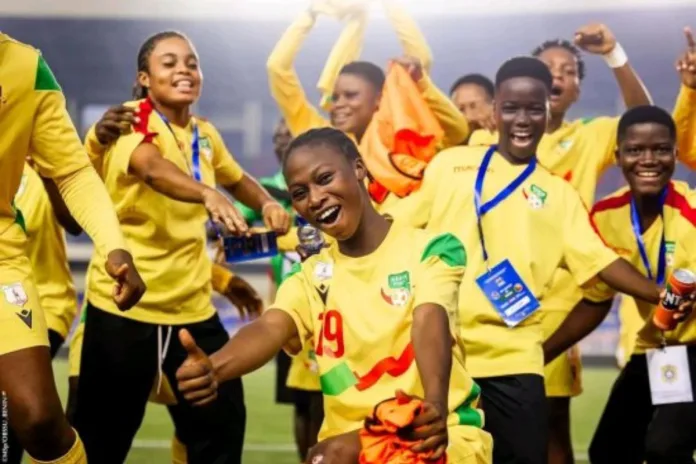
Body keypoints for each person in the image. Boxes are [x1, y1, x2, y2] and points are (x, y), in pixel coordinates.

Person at [387, 55, 679, 464]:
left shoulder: (558, 196)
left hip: (515, 358)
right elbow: (395, 226)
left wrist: (658, 291)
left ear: (547, 112)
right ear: (495, 112)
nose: (522, 119)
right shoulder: (450, 166)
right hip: (441, 354)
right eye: (511, 108)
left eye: (533, 109)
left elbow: (600, 262)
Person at [175, 127, 493, 464]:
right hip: (346, 443)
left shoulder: (432, 248)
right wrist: (215, 368)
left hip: (430, 433)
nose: (314, 198)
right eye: (300, 192)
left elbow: (429, 319)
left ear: (358, 169)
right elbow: (271, 327)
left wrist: (434, 406)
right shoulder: (310, 275)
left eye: (325, 178)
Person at [71, 30, 289, 464]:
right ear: (144, 79)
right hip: (124, 310)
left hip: (194, 312)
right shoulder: (129, 121)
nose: (184, 69)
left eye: (191, 62)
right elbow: (151, 169)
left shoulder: (205, 134)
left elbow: (236, 177)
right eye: (168, 63)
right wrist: (207, 194)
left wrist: (266, 202)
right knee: (100, 444)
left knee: (222, 431)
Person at [0, 33, 145, 464]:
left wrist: (114, 246)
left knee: (40, 419)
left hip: (2, 262)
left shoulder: (26, 67)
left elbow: (72, 172)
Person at [542, 105, 696, 464]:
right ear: (618, 156)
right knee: (608, 450)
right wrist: (540, 356)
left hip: (694, 348)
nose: (648, 159)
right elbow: (596, 300)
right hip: (656, 349)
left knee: (665, 447)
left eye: (660, 149)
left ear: (675, 155)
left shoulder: (691, 211)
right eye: (635, 150)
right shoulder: (605, 216)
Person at [267, 0, 469, 212]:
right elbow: (277, 69)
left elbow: (457, 131)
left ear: (379, 99)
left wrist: (422, 82)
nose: (338, 105)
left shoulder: (401, 136)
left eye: (351, 95)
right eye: (335, 98)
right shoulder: (325, 142)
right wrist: (310, 14)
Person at [235, 119, 324, 462]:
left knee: (327, 399)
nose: (281, 141)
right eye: (277, 136)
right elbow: (234, 229)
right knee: (299, 403)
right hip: (287, 310)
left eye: (289, 135)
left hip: (326, 306)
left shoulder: (322, 185)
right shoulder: (267, 189)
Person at [5, 160, 83, 464]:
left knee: (20, 414)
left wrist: (51, 174)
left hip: (44, 303)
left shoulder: (42, 163)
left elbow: (76, 223)